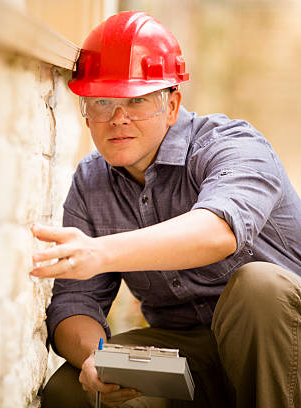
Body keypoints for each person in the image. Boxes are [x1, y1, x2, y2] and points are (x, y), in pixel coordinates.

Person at [30, 10, 301, 408]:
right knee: (70, 392)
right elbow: (75, 303)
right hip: (191, 351)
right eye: (103, 101)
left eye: (137, 100)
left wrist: (101, 252)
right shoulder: (91, 182)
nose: (118, 118)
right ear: (85, 111)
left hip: (283, 345)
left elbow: (217, 232)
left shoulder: (233, 146)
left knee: (258, 287)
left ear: (172, 105)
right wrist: (99, 360)